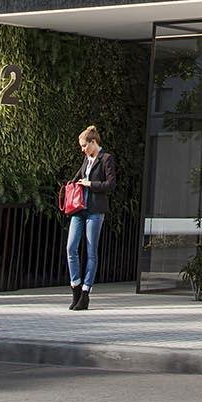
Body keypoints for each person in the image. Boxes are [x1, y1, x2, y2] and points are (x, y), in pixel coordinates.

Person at [67, 125, 116, 311]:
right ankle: (75, 287)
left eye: (84, 145)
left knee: (91, 251)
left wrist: (90, 184)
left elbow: (110, 185)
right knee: (71, 247)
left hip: (95, 210)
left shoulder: (106, 158)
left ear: (93, 142)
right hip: (79, 209)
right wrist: (70, 185)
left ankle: (85, 293)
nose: (82, 149)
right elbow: (77, 178)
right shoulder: (86, 159)